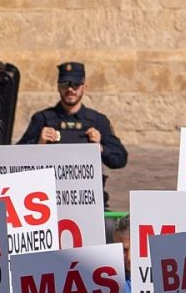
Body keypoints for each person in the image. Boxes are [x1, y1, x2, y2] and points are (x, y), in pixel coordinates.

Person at [17, 61, 127, 203]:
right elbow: (16, 161)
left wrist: (100, 148)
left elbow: (120, 159)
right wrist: (39, 143)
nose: (70, 90)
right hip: (49, 198)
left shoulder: (97, 120)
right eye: (65, 85)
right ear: (58, 87)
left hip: (87, 199)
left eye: (75, 85)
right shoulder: (42, 119)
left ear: (84, 87)